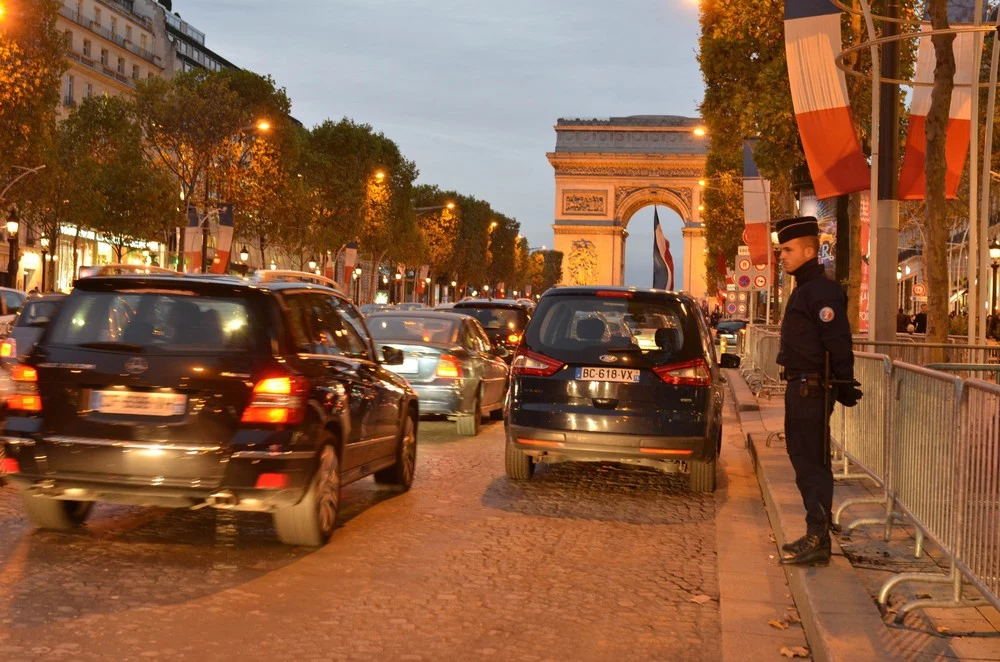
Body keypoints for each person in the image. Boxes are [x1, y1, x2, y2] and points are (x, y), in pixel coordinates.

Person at [774, 216, 862, 566]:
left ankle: (818, 537)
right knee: (802, 460)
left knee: (812, 463)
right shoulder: (806, 288)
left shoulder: (821, 291)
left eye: (788, 249)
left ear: (810, 250)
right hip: (801, 385)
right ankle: (815, 532)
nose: (782, 256)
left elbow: (837, 339)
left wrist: (844, 381)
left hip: (812, 387)